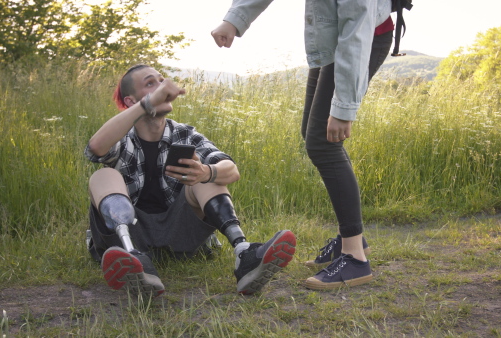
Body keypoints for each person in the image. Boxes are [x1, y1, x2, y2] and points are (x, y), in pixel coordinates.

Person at [211, 0, 394, 290]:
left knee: (323, 143)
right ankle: (353, 239)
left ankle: (355, 257)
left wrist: (344, 107)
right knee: (313, 134)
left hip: (358, 39)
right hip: (332, 41)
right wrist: (235, 19)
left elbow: (357, 27)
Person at [84, 64, 296, 298]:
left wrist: (206, 172)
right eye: (150, 83)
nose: (162, 87)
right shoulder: (121, 135)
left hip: (179, 232)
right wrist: (147, 104)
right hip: (129, 231)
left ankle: (244, 253)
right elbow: (96, 149)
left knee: (207, 175)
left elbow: (231, 170)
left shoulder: (184, 134)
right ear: (132, 101)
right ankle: (134, 257)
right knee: (103, 175)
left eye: (162, 81)